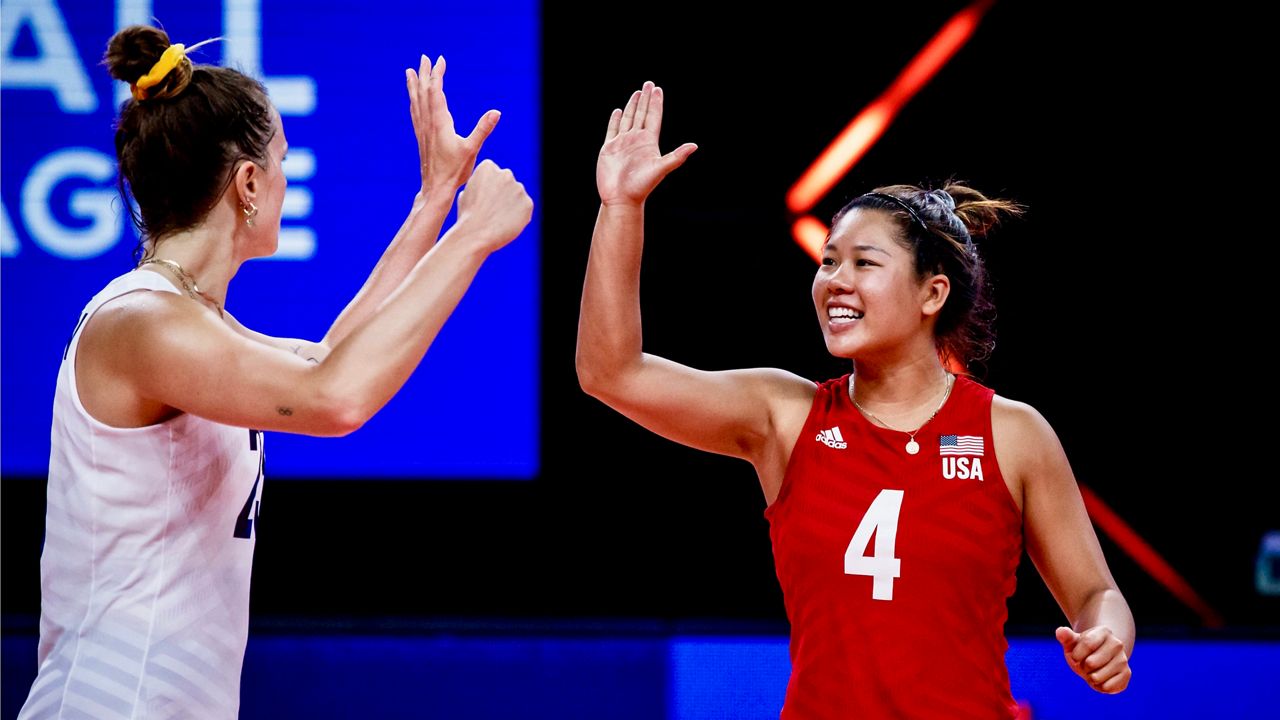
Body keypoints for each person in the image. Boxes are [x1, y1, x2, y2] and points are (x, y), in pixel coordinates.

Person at [17, 24, 532, 720]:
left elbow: (327, 361)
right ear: (249, 183)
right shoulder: (142, 324)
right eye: (283, 161)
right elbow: (338, 399)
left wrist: (436, 201)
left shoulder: (190, 320)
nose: (289, 179)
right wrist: (470, 240)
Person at [576, 81, 1133, 718]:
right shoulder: (783, 415)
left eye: (864, 263)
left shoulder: (1012, 433)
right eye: (828, 260)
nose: (834, 280)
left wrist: (1108, 636)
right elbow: (609, 372)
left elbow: (1095, 594)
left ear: (933, 294)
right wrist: (621, 206)